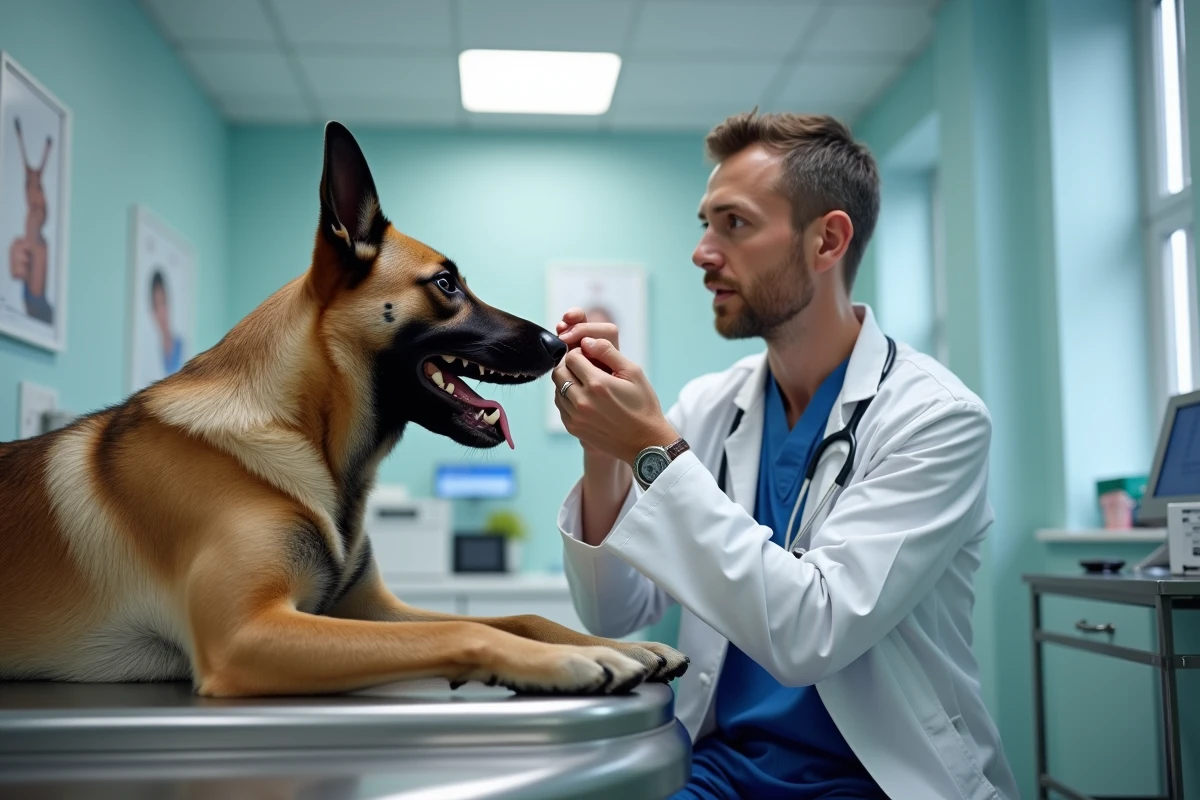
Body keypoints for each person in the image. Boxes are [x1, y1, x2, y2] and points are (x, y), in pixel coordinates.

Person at [551, 112, 1018, 800]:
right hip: (722, 771)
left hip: (875, 777)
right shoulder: (712, 406)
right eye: (705, 223)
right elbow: (613, 610)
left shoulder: (936, 419)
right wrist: (604, 450)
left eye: (733, 224)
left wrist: (648, 446)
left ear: (826, 239)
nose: (702, 251)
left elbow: (811, 634)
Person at [150, 270, 184, 376]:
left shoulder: (181, 344)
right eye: (156, 306)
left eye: (163, 302)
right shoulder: (150, 350)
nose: (161, 312)